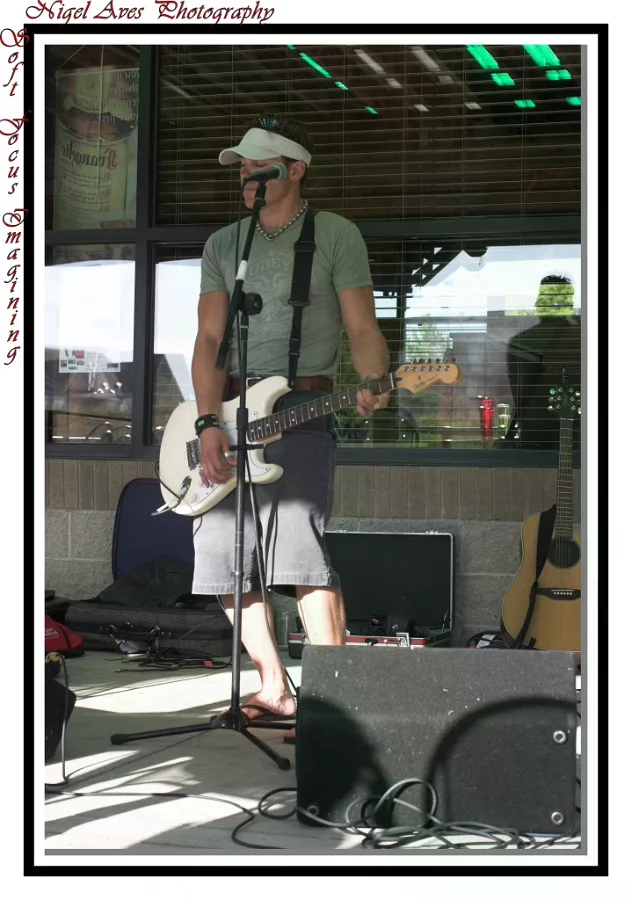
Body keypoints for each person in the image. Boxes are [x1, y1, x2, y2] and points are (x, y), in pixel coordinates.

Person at [190, 114, 390, 739]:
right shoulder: (225, 244)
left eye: (259, 165)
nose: (247, 176)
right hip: (229, 413)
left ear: (295, 170)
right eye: (243, 167)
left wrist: (375, 377)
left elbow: (361, 326)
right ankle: (274, 687)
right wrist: (206, 421)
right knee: (223, 561)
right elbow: (208, 339)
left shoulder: (334, 234)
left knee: (302, 556)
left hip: (301, 408)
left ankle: (331, 704)